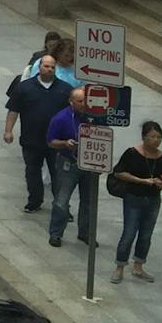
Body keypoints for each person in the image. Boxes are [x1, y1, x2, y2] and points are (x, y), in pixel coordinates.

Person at [5, 52, 69, 214]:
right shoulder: (24, 88)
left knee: (58, 176)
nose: (49, 70)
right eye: (46, 66)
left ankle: (61, 206)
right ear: (39, 67)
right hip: (31, 140)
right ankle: (34, 201)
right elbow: (13, 110)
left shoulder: (65, 90)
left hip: (56, 142)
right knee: (32, 171)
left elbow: (72, 114)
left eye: (52, 67)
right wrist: (8, 131)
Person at [110, 121, 162, 283]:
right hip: (133, 198)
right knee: (129, 233)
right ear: (144, 137)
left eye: (159, 137)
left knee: (146, 235)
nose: (156, 140)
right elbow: (119, 172)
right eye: (152, 137)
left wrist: (161, 182)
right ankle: (119, 267)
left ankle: (138, 266)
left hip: (153, 199)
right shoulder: (132, 153)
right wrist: (141, 180)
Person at [45, 81, 98, 247]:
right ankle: (55, 233)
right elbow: (50, 142)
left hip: (88, 164)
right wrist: (64, 144)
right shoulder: (60, 118)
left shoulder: (93, 117)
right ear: (71, 102)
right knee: (62, 201)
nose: (84, 104)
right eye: (80, 101)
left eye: (86, 101)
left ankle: (85, 233)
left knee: (89, 201)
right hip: (68, 163)